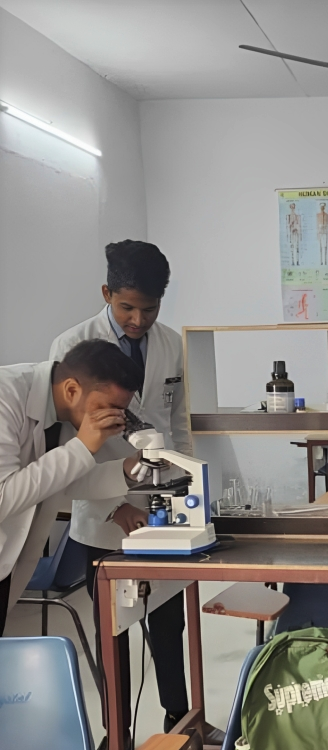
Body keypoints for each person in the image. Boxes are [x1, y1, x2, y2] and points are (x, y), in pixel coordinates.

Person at [49, 240, 203, 742]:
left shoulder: (171, 344)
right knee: (113, 628)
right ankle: (117, 730)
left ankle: (178, 722)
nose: (138, 320)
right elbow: (71, 448)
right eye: (127, 308)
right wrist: (115, 506)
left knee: (169, 624)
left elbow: (177, 423)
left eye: (150, 309)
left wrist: (185, 484)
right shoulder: (71, 346)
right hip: (102, 510)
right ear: (106, 293)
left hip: (161, 502)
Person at [0, 339, 143, 634]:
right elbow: (4, 498)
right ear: (71, 390)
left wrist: (127, 470)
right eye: (109, 407)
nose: (116, 419)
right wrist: (82, 447)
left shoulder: (63, 410)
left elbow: (64, 479)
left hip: (10, 565)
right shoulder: (5, 397)